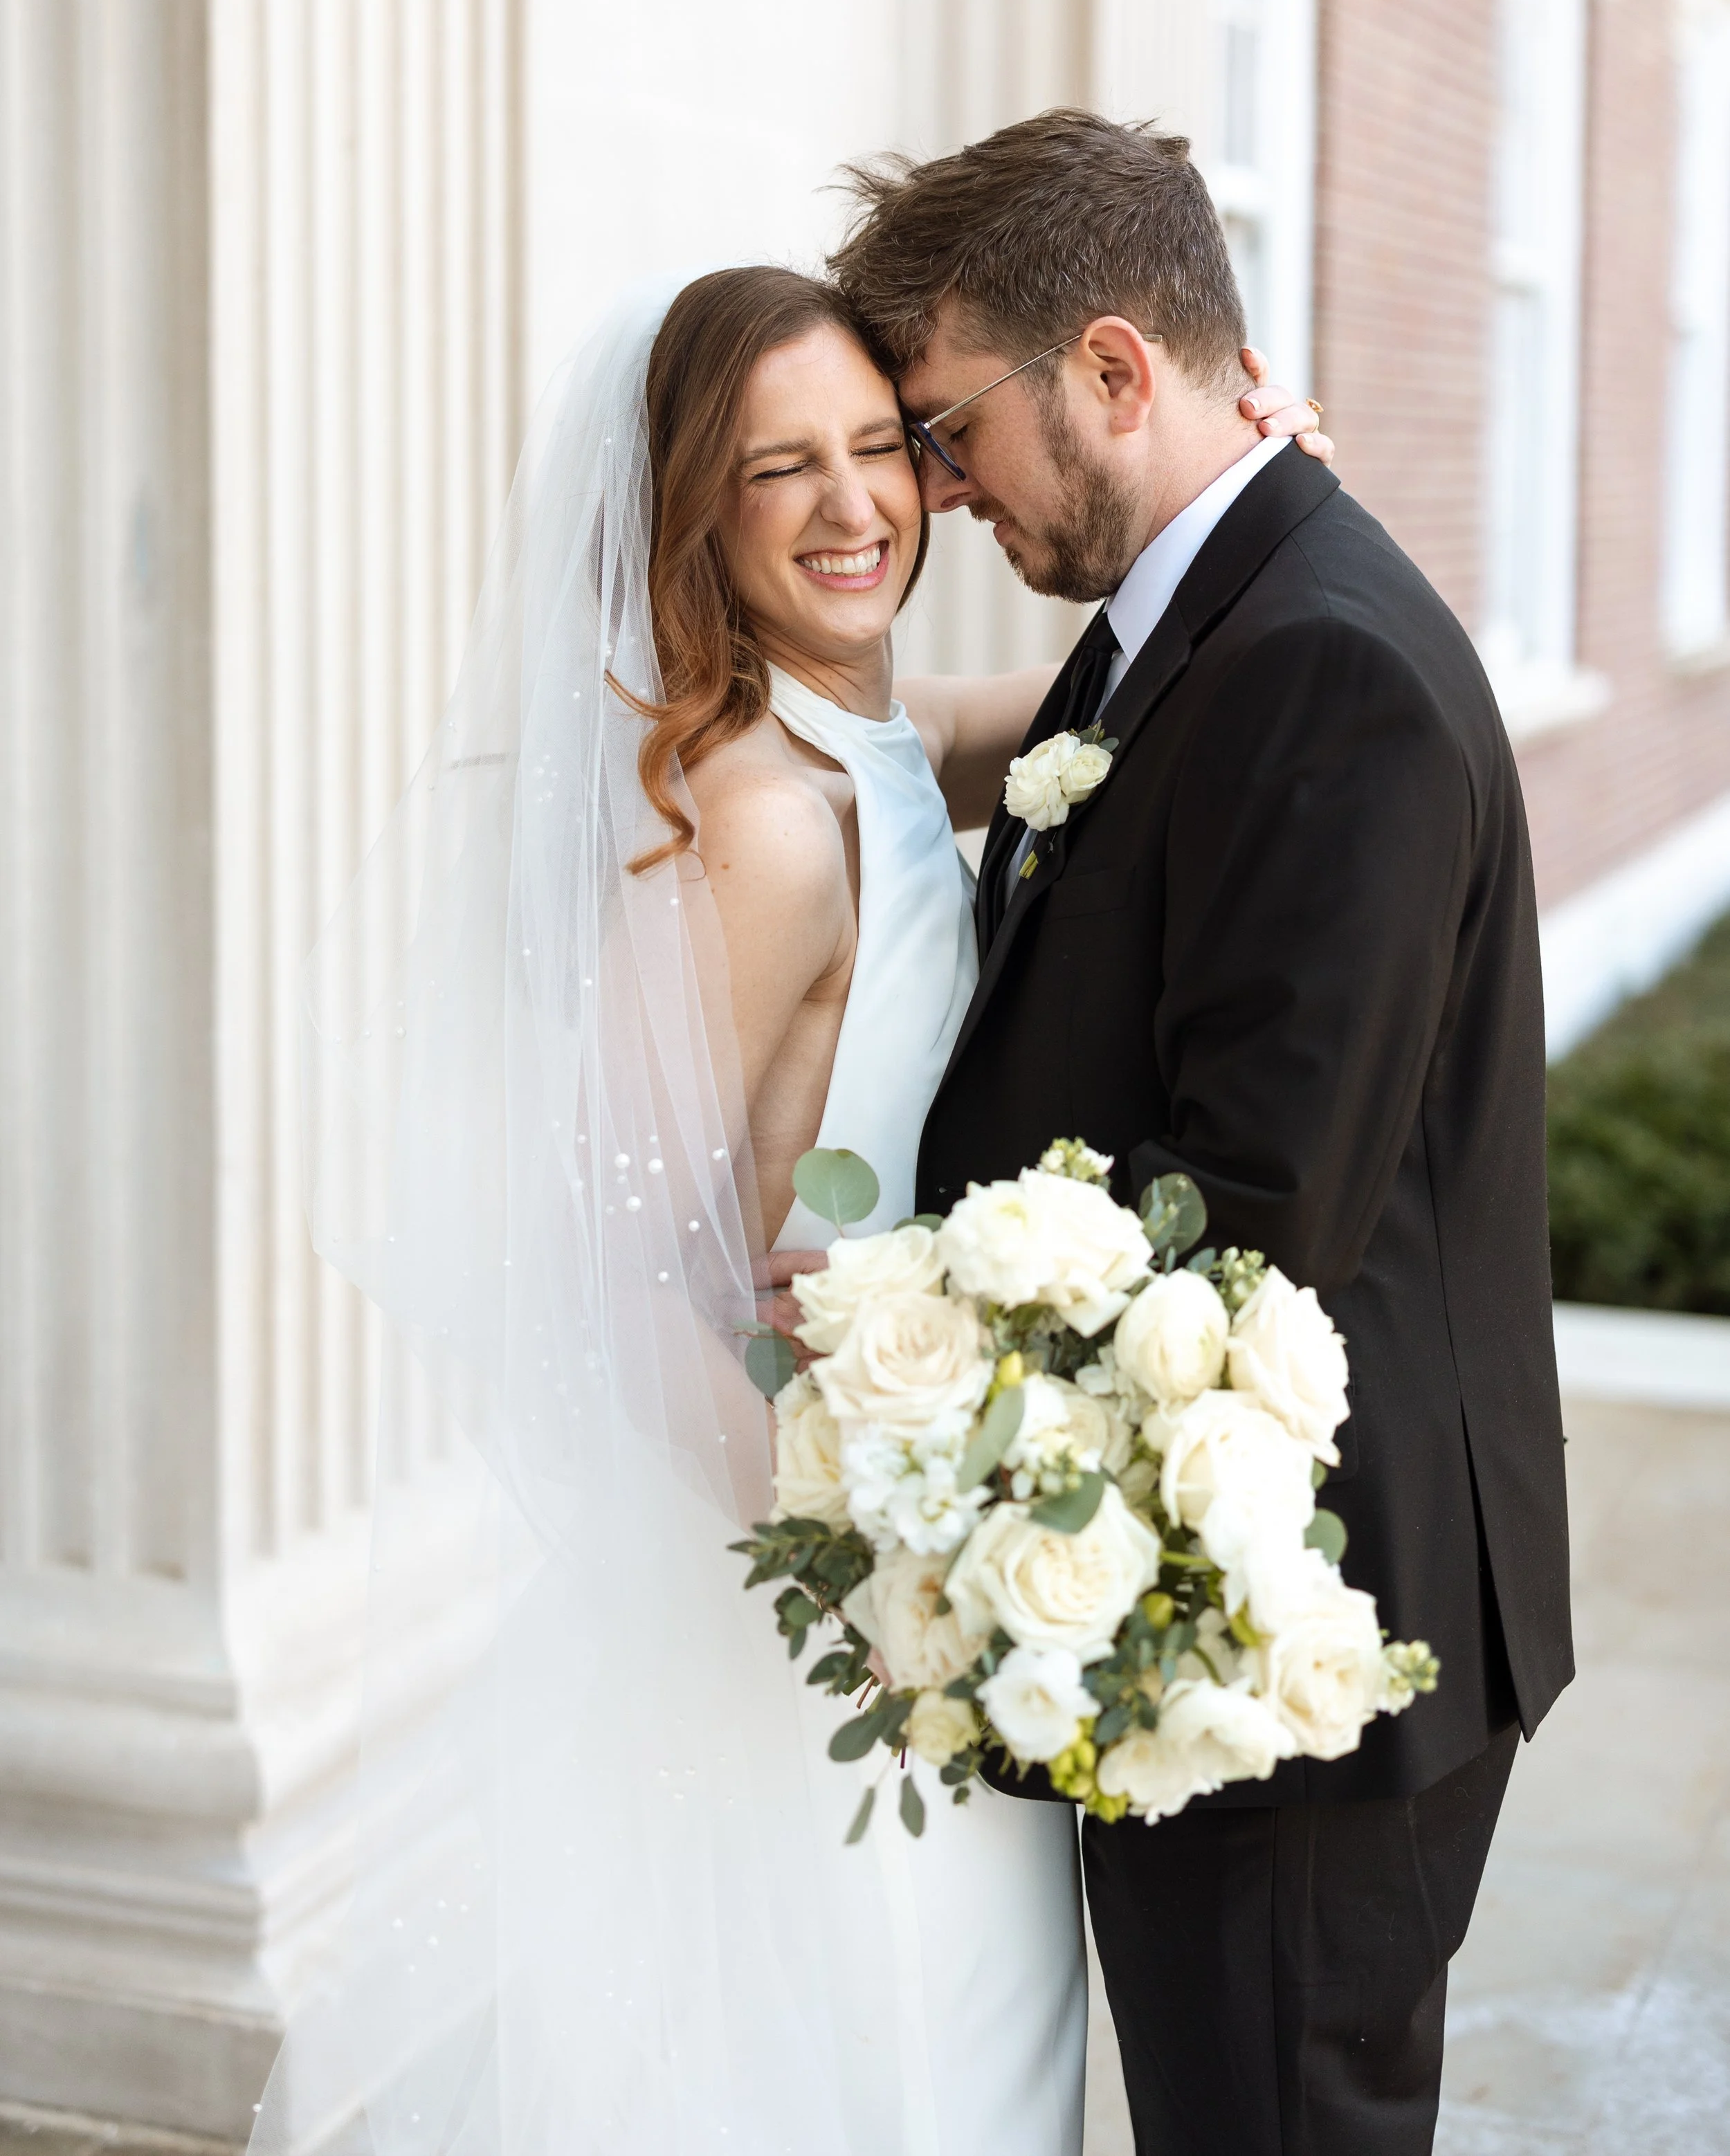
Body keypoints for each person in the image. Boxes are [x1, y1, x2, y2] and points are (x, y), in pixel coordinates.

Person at [276, 258, 1322, 2156]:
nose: (854, 506)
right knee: (891, 2079)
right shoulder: (749, 822)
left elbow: (1033, 720)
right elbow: (597, 1247)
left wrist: (1237, 530)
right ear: (692, 509)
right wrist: (857, 1575)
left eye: (881, 447)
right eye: (780, 469)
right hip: (816, 1599)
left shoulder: (856, 742)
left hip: (919, 1565)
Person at [830, 108, 1574, 2156]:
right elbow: (1067, 788)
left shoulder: (1316, 661)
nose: (934, 486)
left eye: (941, 425)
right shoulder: (1212, 598)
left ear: (1112, 369)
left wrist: (871, 1341)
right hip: (1226, 1595)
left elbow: (1253, 1208)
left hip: (1302, 1639)